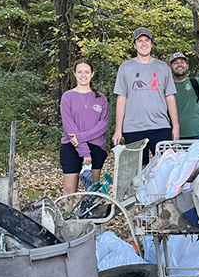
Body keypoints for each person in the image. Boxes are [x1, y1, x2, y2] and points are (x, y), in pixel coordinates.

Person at [112, 27, 180, 165]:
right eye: (140, 41)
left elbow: (170, 97)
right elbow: (121, 99)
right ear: (134, 45)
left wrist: (176, 126)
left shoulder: (163, 67)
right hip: (133, 127)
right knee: (139, 169)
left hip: (160, 125)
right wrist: (118, 129)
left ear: (151, 44)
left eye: (147, 40)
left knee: (165, 165)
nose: (144, 44)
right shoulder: (125, 68)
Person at [60, 59, 109, 198]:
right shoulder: (67, 97)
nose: (83, 75)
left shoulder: (101, 98)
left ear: (92, 74)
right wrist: (84, 151)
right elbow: (69, 125)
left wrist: (81, 138)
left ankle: (90, 213)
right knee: (70, 191)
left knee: (92, 192)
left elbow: (103, 125)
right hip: (72, 146)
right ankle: (67, 212)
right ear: (74, 74)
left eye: (87, 72)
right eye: (80, 72)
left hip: (96, 146)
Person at [169, 51, 199, 139]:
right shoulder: (167, 87)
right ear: (170, 68)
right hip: (175, 135)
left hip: (197, 134)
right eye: (175, 63)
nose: (179, 65)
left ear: (187, 66)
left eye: (182, 62)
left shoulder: (196, 82)